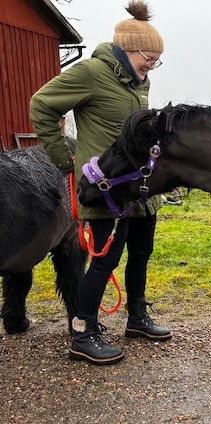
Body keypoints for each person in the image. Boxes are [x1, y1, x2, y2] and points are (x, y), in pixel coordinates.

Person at [30, 0, 171, 366]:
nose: (150, 67)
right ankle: (82, 332)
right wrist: (65, 159)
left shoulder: (139, 80)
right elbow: (41, 104)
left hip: (139, 187)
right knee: (105, 260)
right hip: (106, 189)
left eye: (156, 62)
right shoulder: (91, 72)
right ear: (127, 50)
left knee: (141, 252)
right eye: (148, 59)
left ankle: (137, 318)